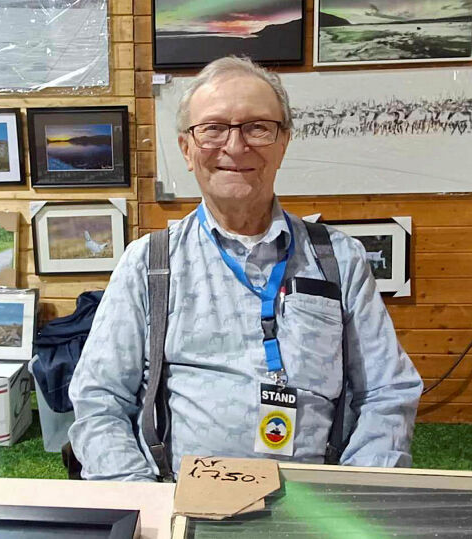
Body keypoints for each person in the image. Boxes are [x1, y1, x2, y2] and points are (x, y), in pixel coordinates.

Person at [68, 56, 422, 481]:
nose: (235, 147)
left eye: (257, 127)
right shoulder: (148, 262)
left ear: (283, 142)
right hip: (178, 499)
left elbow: (388, 392)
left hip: (314, 506)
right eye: (213, 128)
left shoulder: (340, 260)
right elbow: (99, 399)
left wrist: (355, 495)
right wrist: (143, 500)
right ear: (186, 148)